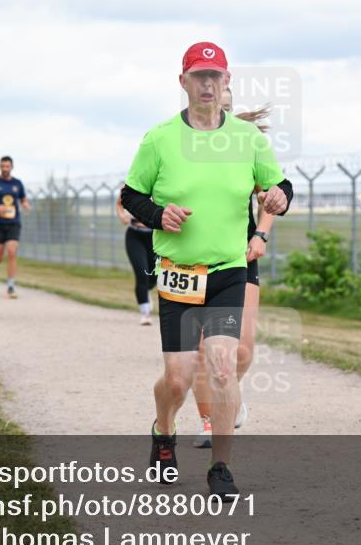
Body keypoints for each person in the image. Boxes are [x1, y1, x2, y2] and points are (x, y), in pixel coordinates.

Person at [120, 42, 293, 499]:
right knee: (177, 377)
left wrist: (280, 198)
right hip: (178, 272)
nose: (208, 84)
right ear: (183, 82)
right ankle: (163, 430)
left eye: (215, 75)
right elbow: (131, 196)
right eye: (199, 76)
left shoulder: (247, 138)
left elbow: (278, 185)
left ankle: (221, 466)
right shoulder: (159, 139)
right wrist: (159, 215)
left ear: (227, 81)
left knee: (221, 366)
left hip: (228, 270)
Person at [190, 88, 273, 449]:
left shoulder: (246, 150)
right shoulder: (182, 150)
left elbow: (270, 197)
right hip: (190, 261)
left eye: (226, 108)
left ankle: (228, 394)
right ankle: (210, 420)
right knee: (199, 351)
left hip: (239, 258)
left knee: (241, 350)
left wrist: (261, 235)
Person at [0, 156, 31, 298]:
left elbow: (23, 199)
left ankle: (11, 286)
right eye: (3, 166)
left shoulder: (17, 183)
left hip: (13, 223)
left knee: (12, 252)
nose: (5, 169)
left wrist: (25, 204)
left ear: (12, 167)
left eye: (7, 166)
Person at [116, 189, 157, 325]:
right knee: (141, 273)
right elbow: (119, 204)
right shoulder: (131, 187)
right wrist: (121, 215)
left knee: (154, 275)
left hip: (154, 237)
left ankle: (146, 290)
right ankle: (145, 313)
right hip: (134, 235)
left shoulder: (159, 187)